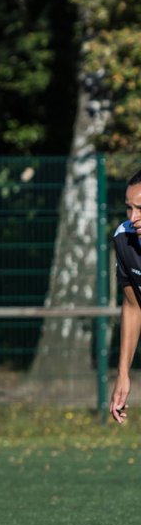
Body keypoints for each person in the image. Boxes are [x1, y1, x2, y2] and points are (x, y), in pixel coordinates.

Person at [111, 169, 141, 424]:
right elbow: (133, 307)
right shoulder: (124, 239)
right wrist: (123, 373)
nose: (134, 217)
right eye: (129, 208)